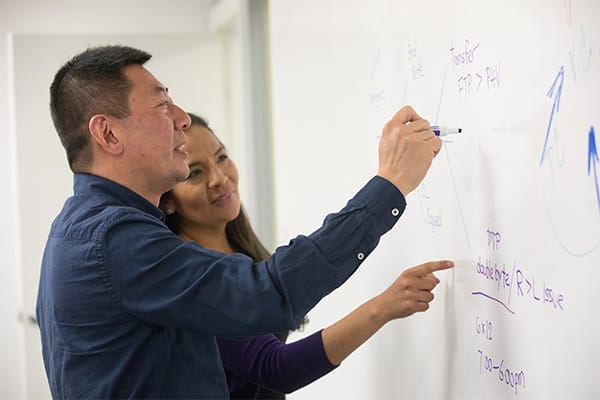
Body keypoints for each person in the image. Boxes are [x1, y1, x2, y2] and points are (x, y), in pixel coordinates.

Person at [36, 44, 450, 399]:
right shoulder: (114, 240)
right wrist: (389, 185)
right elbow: (267, 298)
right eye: (162, 103)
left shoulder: (84, 229)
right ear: (107, 135)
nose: (182, 117)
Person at [159, 113, 453, 399]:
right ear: (168, 201)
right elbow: (277, 367)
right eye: (194, 173)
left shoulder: (242, 256)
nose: (219, 178)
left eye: (222, 157)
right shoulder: (194, 277)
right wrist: (383, 306)